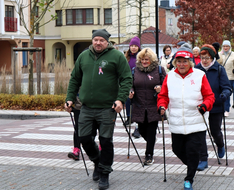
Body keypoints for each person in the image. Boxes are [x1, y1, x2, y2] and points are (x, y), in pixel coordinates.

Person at [65, 29, 132, 190]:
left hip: (108, 108)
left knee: (105, 141)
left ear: (107, 42)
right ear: (92, 41)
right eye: (96, 40)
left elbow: (126, 78)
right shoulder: (83, 56)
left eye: (102, 40)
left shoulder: (116, 56)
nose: (98, 43)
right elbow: (75, 78)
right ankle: (98, 162)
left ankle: (104, 174)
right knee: (84, 138)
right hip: (86, 107)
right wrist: (69, 98)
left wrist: (120, 99)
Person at [157, 48, 215, 190]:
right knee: (177, 149)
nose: (182, 64)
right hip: (177, 121)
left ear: (190, 63)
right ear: (175, 63)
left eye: (185, 62)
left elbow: (209, 96)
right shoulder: (170, 76)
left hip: (196, 120)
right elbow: (163, 96)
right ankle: (192, 166)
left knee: (193, 150)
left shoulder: (199, 75)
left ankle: (189, 178)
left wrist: (205, 106)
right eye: (179, 62)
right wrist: (162, 106)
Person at [195, 44, 231, 171]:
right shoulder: (196, 69)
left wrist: (225, 94)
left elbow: (227, 87)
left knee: (215, 131)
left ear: (212, 58)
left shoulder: (219, 69)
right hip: (201, 107)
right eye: (202, 57)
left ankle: (220, 145)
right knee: (200, 133)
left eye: (207, 58)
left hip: (215, 105)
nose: (204, 60)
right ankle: (203, 159)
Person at [129, 48, 166, 165]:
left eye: (147, 59)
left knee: (151, 131)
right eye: (142, 59)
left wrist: (161, 88)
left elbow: (166, 85)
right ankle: (151, 141)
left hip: (153, 105)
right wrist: (131, 91)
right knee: (142, 130)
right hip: (139, 105)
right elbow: (130, 84)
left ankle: (149, 154)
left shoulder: (159, 70)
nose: (144, 62)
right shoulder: (135, 71)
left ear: (152, 60)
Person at [217, 40, 234, 117]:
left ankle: (226, 109)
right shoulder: (219, 54)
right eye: (224, 46)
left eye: (227, 46)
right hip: (220, 76)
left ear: (230, 47)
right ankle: (223, 108)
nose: (225, 48)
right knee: (221, 93)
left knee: (226, 93)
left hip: (230, 77)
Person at [124, 36, 141, 138]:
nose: (133, 48)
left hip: (138, 82)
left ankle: (138, 126)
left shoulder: (141, 56)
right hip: (128, 82)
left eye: (135, 46)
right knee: (128, 100)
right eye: (132, 46)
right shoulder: (126, 57)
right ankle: (129, 117)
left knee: (137, 103)